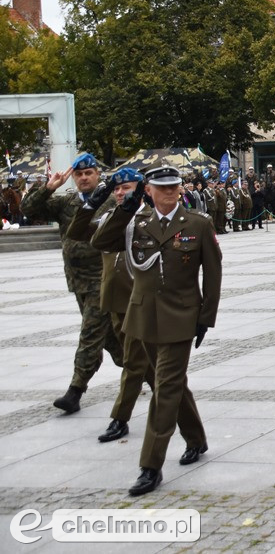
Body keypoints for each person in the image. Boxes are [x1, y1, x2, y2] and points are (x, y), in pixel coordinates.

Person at [91, 165, 220, 496]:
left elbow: (214, 275)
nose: (169, 192)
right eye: (161, 188)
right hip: (143, 317)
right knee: (174, 384)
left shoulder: (198, 224)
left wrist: (206, 317)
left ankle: (150, 466)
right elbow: (100, 241)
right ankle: (196, 438)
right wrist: (126, 207)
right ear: (147, 190)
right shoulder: (137, 222)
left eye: (174, 186)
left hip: (181, 317)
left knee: (164, 388)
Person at [21, 153, 124, 414]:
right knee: (111, 339)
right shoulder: (66, 202)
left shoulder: (111, 201)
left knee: (90, 333)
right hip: (77, 282)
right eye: (79, 174)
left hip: (102, 280)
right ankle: (147, 371)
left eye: (88, 173)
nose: (84, 178)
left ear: (97, 174)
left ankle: (75, 390)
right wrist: (48, 187)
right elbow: (28, 209)